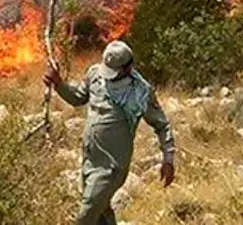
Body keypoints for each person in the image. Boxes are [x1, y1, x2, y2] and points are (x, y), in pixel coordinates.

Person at [44, 40, 176, 225]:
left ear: (127, 68)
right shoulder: (96, 74)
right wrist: (59, 84)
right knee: (101, 214)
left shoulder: (141, 92)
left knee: (86, 215)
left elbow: (162, 125)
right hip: (90, 160)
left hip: (112, 167)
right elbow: (78, 98)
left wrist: (168, 159)